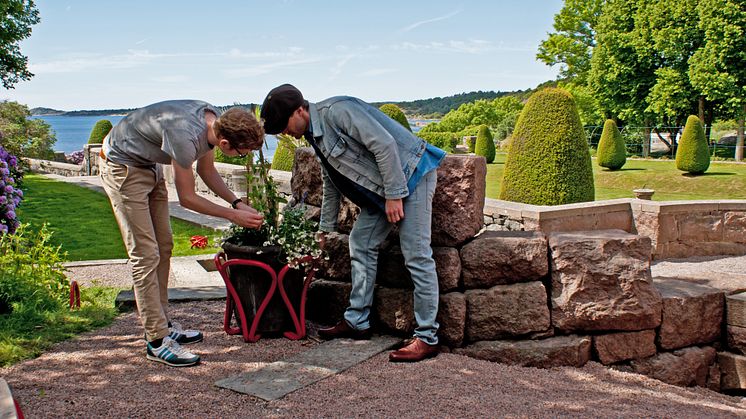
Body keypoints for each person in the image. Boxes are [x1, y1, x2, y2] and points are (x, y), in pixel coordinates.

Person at [261, 84, 446, 362]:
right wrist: (326, 228)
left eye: (284, 125)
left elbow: (383, 145)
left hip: (412, 176)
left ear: (300, 110)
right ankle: (358, 321)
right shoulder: (314, 134)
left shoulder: (338, 111)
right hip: (383, 193)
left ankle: (427, 337)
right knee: (360, 242)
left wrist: (395, 195)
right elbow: (331, 182)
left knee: (416, 254)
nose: (284, 133)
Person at [100, 100, 265, 367]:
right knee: (145, 254)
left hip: (149, 164)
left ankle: (162, 323)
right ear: (225, 144)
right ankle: (155, 340)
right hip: (123, 167)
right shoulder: (184, 135)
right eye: (242, 153)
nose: (242, 157)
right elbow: (188, 198)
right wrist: (233, 216)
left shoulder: (213, 123)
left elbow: (206, 170)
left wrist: (236, 203)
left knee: (164, 246)